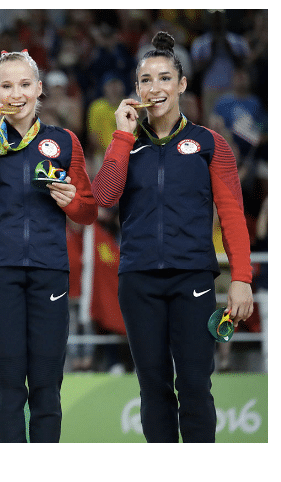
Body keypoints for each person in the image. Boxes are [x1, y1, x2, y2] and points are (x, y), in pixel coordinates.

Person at [92, 32, 254, 442]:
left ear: (181, 85)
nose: (155, 87)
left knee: (196, 386)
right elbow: (104, 198)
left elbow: (233, 213)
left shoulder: (209, 143)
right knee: (153, 388)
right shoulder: (126, 145)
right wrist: (122, 136)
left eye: (164, 78)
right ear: (137, 89)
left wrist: (241, 278)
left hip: (193, 281)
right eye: (146, 80)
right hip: (138, 281)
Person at [0, 50, 97, 443]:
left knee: (47, 384)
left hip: (49, 268)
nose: (15, 94)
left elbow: (88, 212)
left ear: (39, 89)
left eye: (23, 84)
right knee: (7, 387)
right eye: (6, 85)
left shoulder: (63, 141)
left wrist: (71, 200)